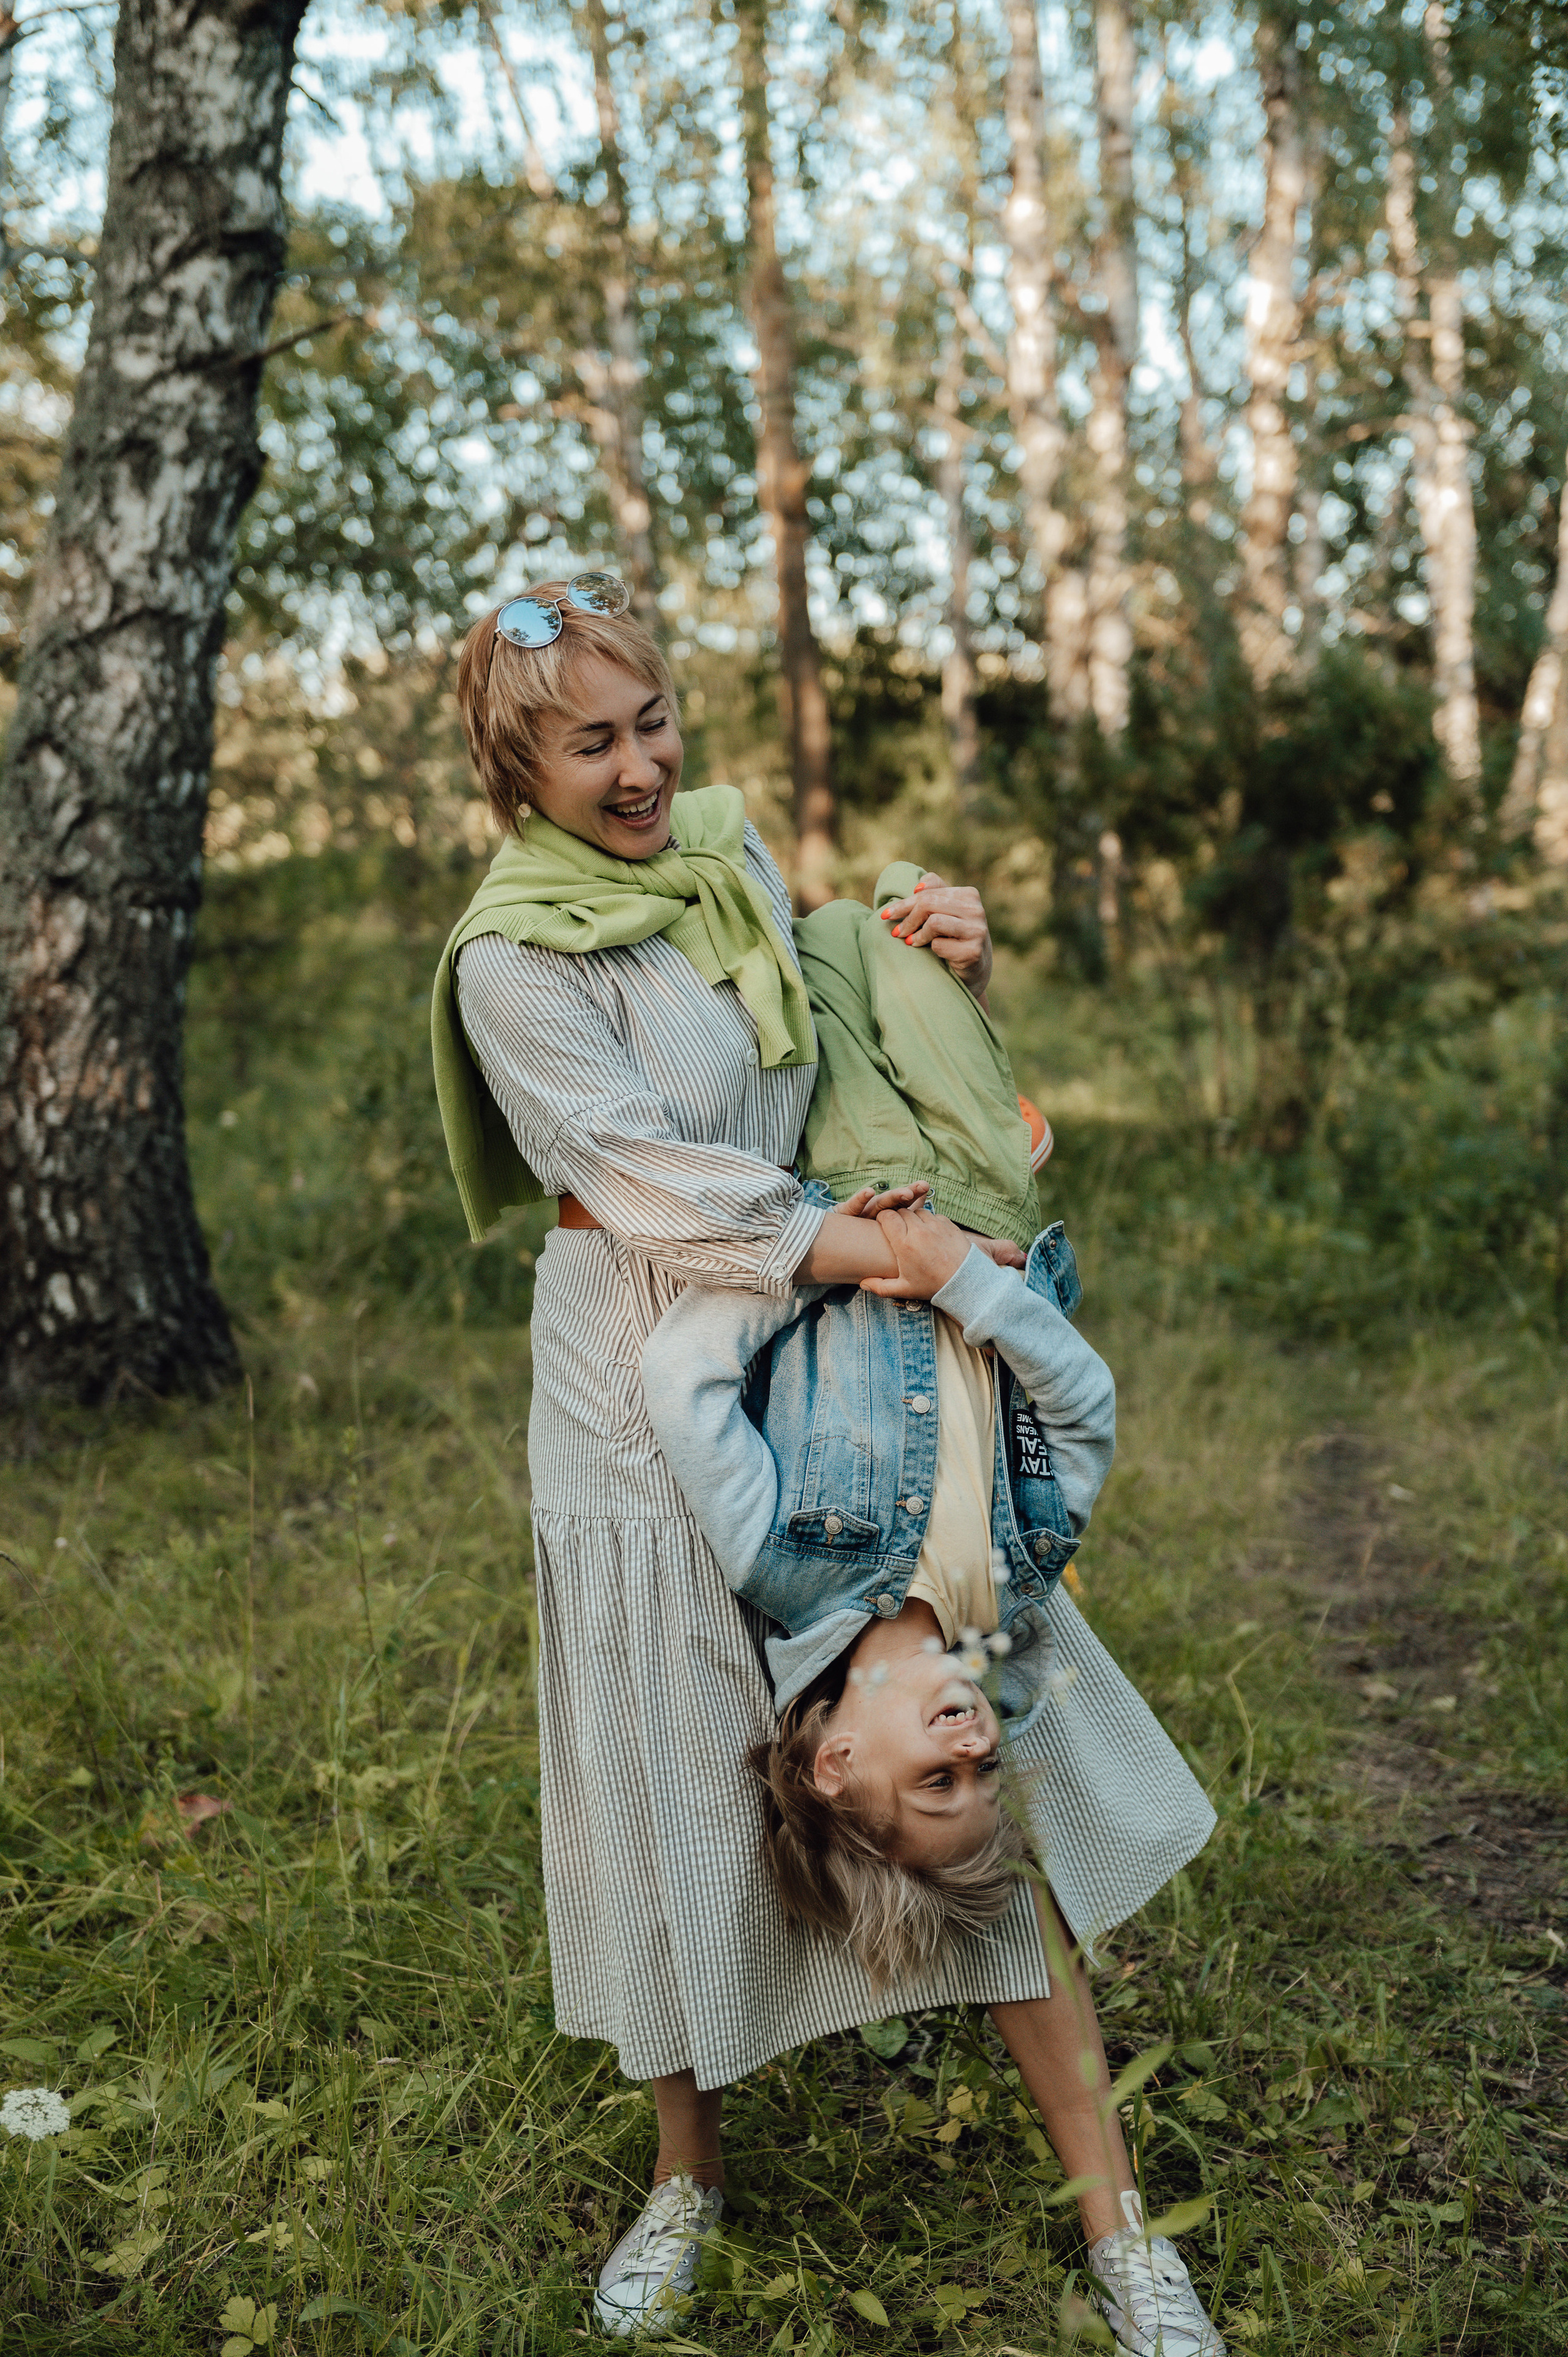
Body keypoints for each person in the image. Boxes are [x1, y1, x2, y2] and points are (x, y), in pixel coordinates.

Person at [430, 574, 1223, 2356]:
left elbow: (833, 1047)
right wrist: (871, 1253)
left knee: (964, 1745)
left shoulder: (722, 862)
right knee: (677, 1784)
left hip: (841, 1363)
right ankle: (686, 2175)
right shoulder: (512, 958)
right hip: (655, 1370)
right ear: (515, 758)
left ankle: (1118, 2230)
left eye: (652, 725)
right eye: (592, 741)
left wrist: (943, 971)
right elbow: (647, 1184)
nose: (639, 769)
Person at [640, 864, 1119, 1973]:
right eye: (985, 1775)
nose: (972, 1746)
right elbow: (1083, 1406)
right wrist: (967, 1279)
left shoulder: (780, 1562)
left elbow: (684, 1376)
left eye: (935, 1779)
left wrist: (821, 1257)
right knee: (908, 911)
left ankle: (737, 851)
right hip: (990, 1206)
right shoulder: (1016, 1577)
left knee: (801, 939)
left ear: (834, 1762)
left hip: (845, 1189)